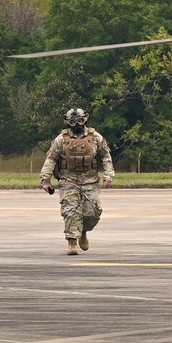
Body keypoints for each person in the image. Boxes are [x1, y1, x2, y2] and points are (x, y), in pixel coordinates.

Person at [39, 107, 113, 256]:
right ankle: (72, 242)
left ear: (85, 119)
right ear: (68, 123)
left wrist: (108, 175)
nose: (77, 124)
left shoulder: (96, 137)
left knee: (92, 213)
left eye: (80, 120)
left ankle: (83, 231)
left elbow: (105, 155)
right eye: (73, 121)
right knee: (71, 211)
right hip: (68, 180)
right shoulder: (61, 140)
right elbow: (51, 159)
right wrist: (45, 180)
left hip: (90, 180)